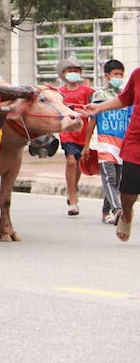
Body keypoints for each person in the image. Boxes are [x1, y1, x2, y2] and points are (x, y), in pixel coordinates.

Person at [84, 66, 140, 242]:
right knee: (128, 191)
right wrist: (99, 108)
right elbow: (125, 98)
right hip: (136, 140)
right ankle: (126, 214)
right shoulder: (138, 75)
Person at [85, 59, 128, 224]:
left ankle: (105, 211)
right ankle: (118, 210)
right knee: (109, 178)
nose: (118, 77)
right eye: (115, 74)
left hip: (121, 145)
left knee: (116, 181)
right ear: (107, 76)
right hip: (104, 143)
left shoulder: (125, 96)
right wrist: (86, 146)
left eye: (121, 74)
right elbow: (92, 121)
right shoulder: (99, 96)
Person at [56, 56, 94, 216]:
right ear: (64, 73)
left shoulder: (88, 91)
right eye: (70, 70)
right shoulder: (59, 92)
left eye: (76, 70)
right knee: (71, 161)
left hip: (83, 133)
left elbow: (94, 108)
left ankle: (73, 189)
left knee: (78, 163)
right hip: (67, 132)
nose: (73, 73)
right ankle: (72, 200)